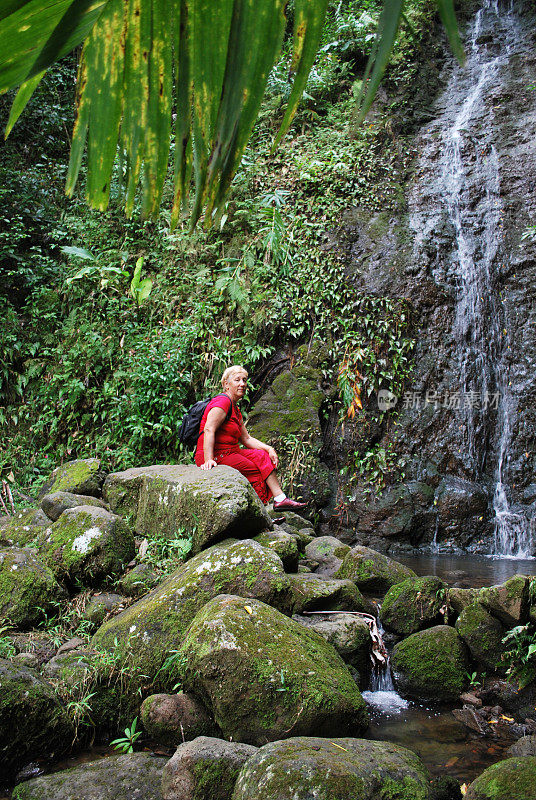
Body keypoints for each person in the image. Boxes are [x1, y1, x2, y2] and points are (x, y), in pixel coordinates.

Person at [194, 365, 307, 511]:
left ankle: (280, 499)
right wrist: (209, 459)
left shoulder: (234, 408)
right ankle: (260, 514)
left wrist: (269, 448)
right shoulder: (222, 402)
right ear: (226, 384)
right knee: (253, 470)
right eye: (237, 380)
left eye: (244, 380)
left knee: (262, 456)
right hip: (215, 454)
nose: (242, 384)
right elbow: (209, 429)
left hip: (231, 451)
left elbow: (246, 439)